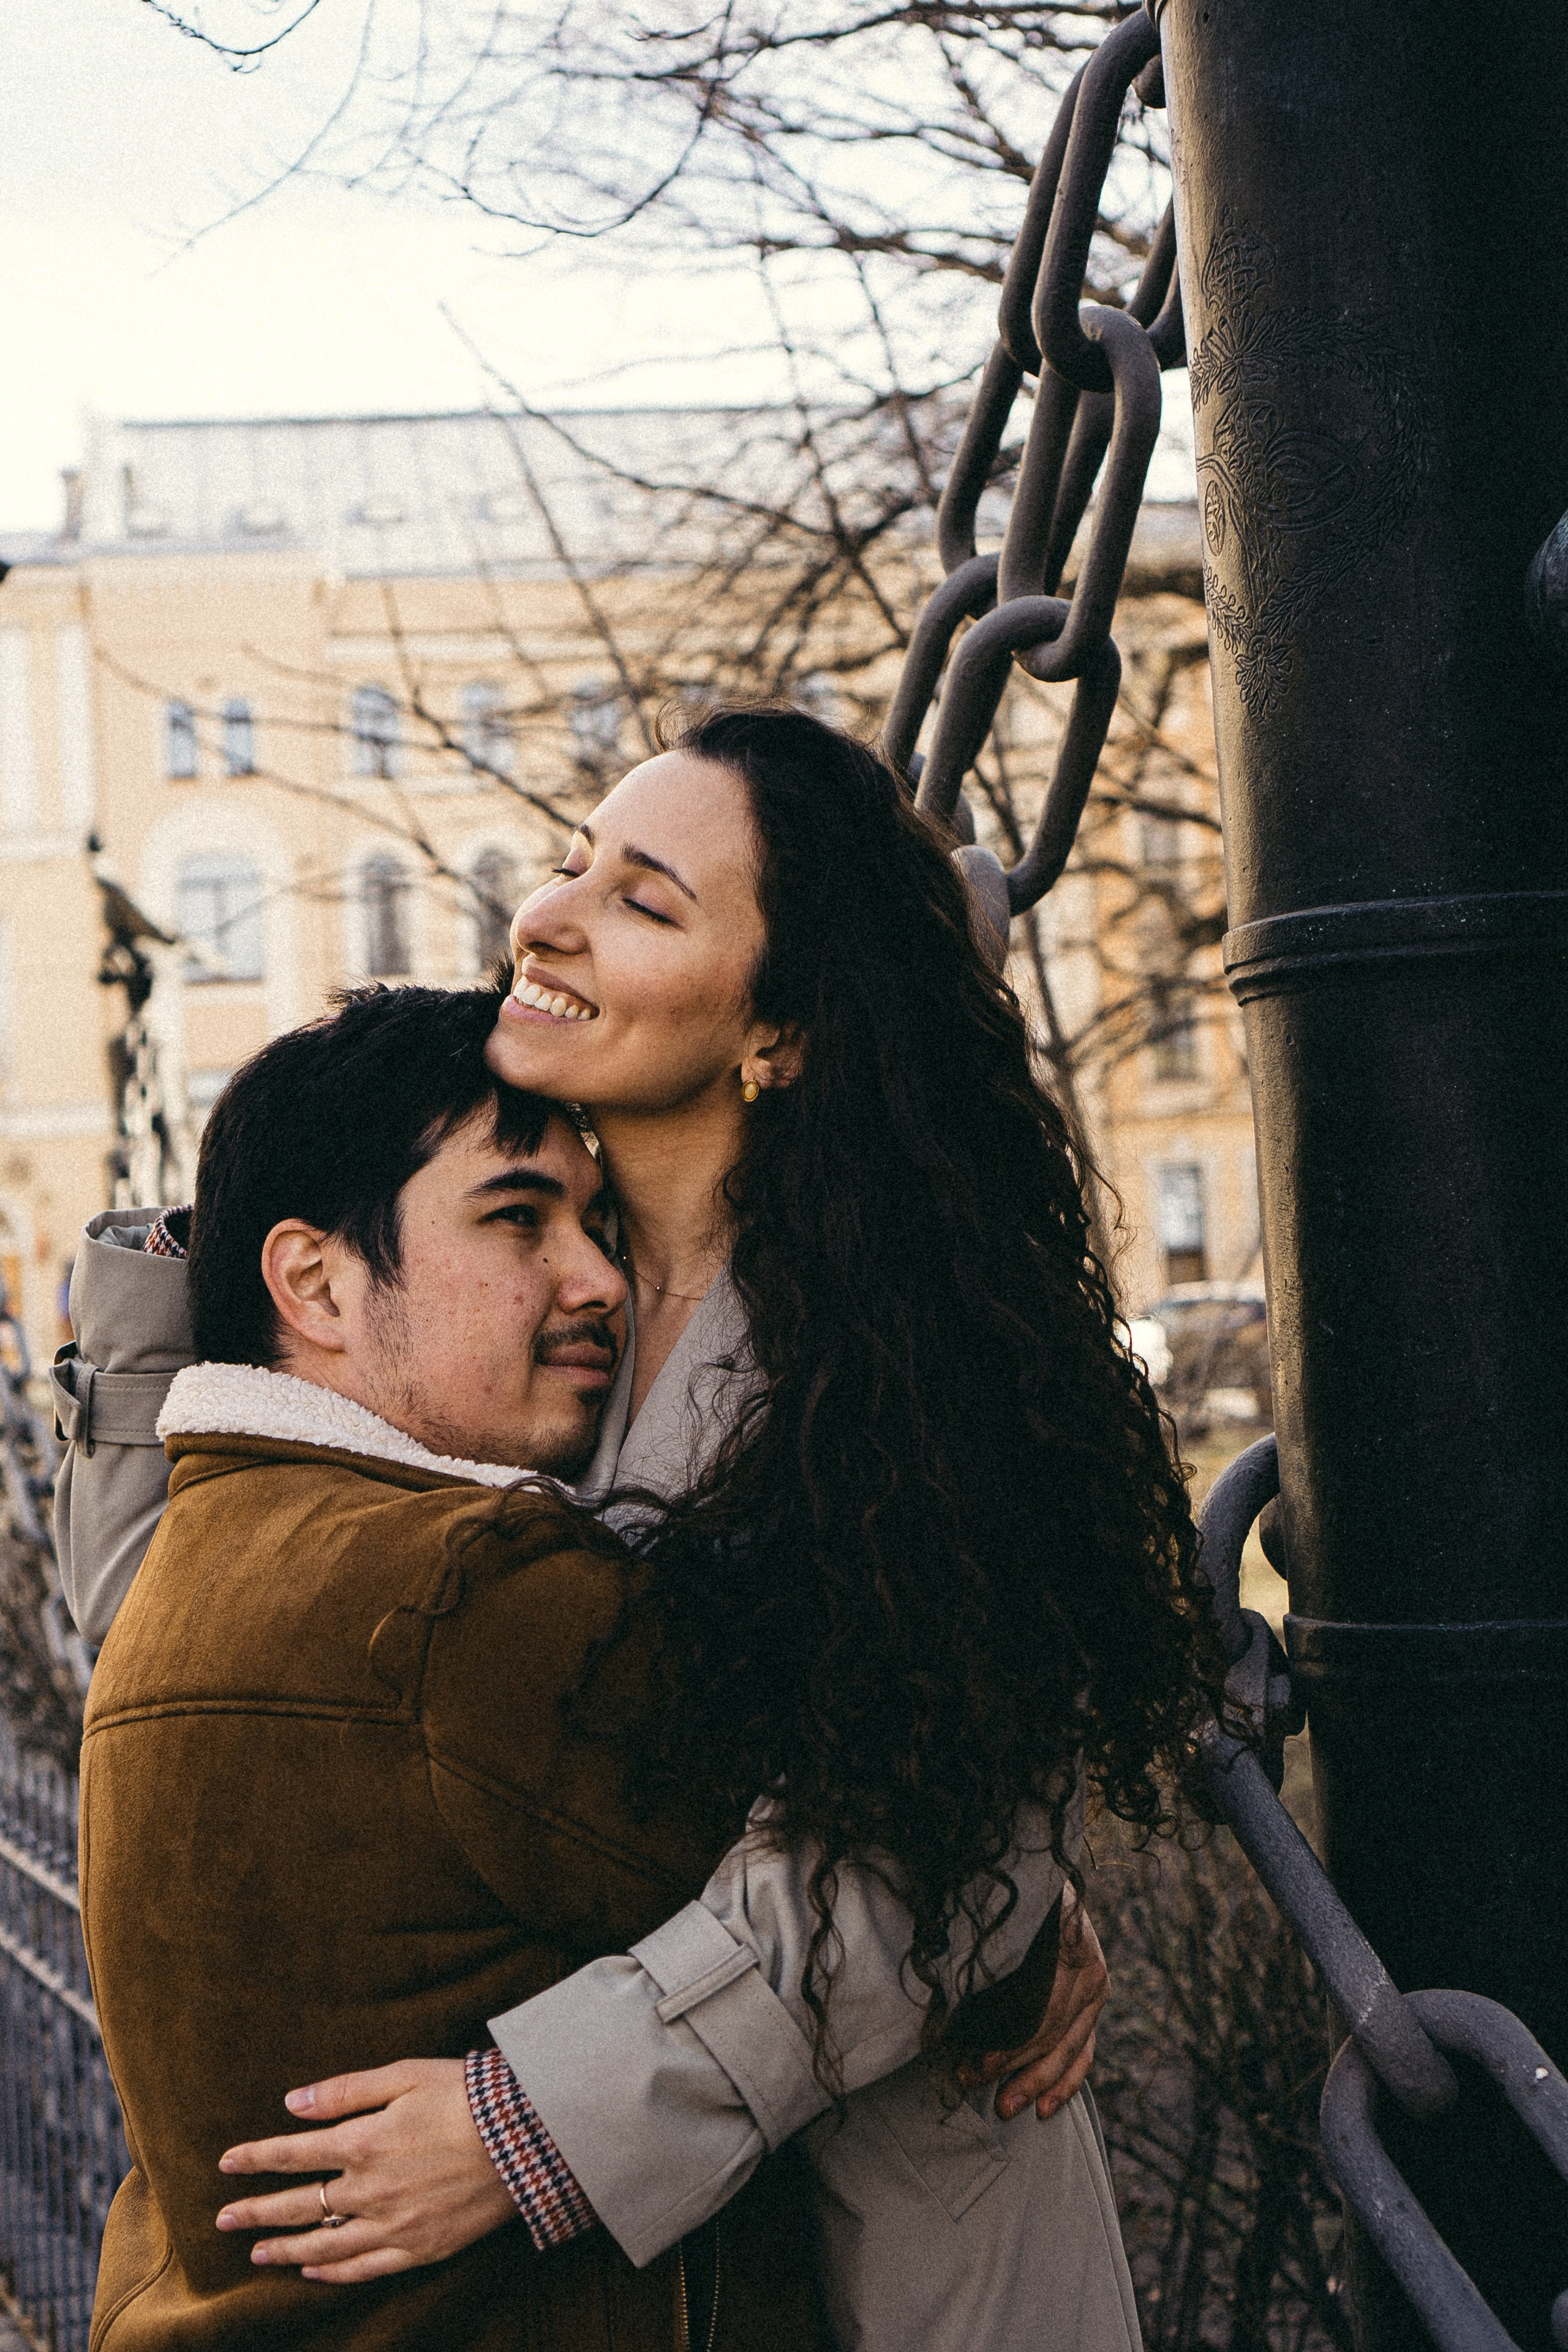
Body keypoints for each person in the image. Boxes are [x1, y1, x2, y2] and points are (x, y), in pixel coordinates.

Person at [84, 982, 835, 2348]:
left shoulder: (191, 1563)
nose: (599, 1279)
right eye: (516, 1218)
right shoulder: (467, 1586)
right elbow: (912, 1885)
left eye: (602, 1227)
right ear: (312, 1281)